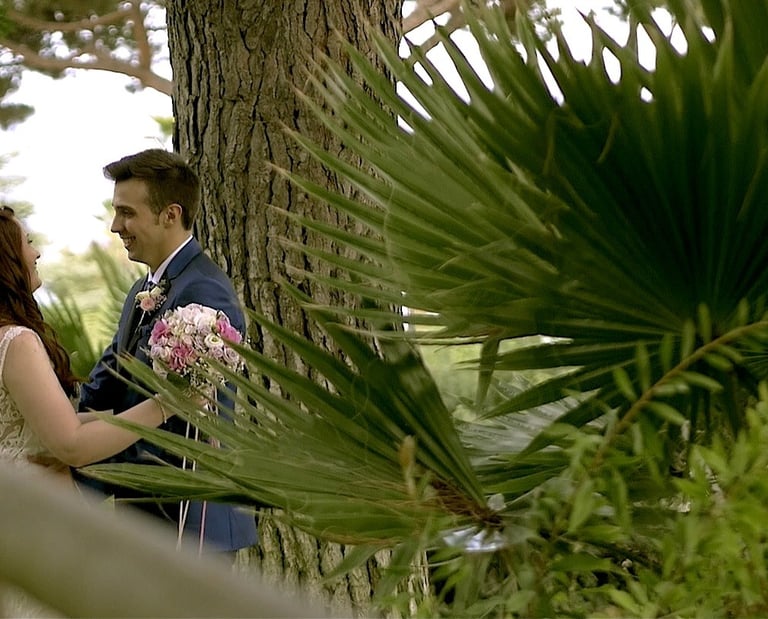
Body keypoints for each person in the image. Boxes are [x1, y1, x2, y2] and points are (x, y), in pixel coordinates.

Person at [77, 148, 257, 555]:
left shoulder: (205, 292)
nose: (115, 226)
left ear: (170, 215)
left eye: (127, 213)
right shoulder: (141, 291)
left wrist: (80, 473)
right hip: (149, 516)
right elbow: (106, 384)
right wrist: (48, 432)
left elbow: (180, 421)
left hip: (191, 522)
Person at [0, 206, 172, 480]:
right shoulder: (17, 342)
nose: (36, 253)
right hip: (31, 503)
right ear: (6, 259)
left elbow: (55, 424)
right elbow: (73, 445)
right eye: (28, 243)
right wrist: (170, 405)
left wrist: (132, 408)